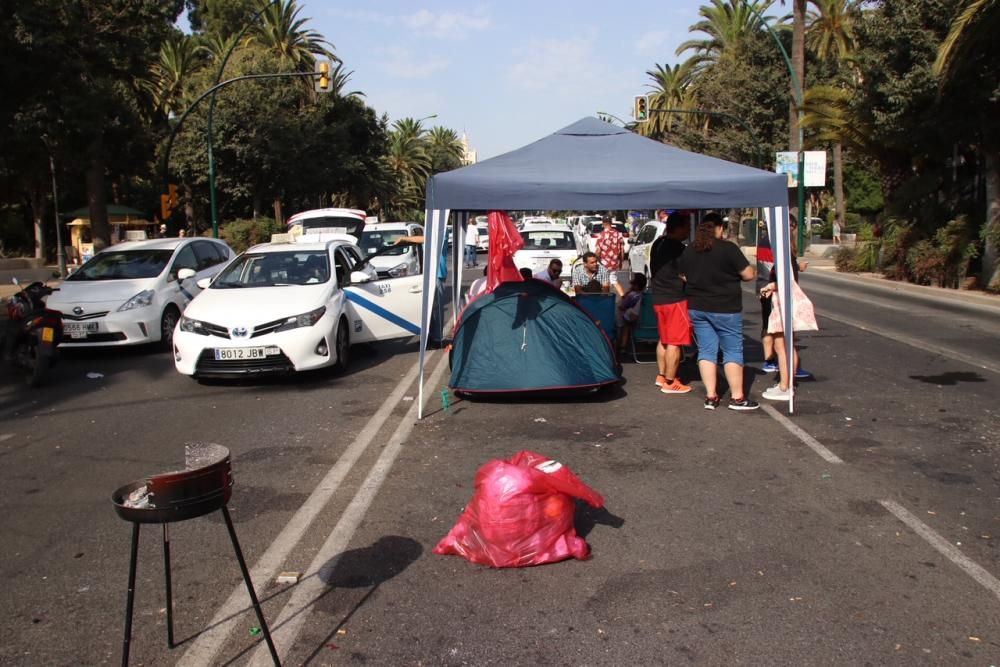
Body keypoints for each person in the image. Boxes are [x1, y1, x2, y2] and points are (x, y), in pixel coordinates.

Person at [678, 213, 759, 411]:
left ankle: (711, 396)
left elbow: (682, 274)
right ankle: (737, 398)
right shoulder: (728, 249)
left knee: (706, 350)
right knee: (732, 351)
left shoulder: (690, 250)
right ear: (719, 228)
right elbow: (748, 274)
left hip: (698, 307)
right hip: (726, 307)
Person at [649, 212, 692, 394]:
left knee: (665, 339)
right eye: (687, 227)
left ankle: (662, 375)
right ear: (680, 228)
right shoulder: (680, 249)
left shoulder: (658, 243)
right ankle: (670, 381)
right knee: (675, 341)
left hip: (658, 297)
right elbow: (687, 274)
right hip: (674, 298)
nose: (689, 231)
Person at [616, 273, 646, 354]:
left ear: (635, 285)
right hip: (644, 322)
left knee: (626, 325)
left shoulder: (632, 295)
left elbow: (623, 306)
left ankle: (623, 345)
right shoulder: (645, 295)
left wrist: (628, 292)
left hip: (632, 318)